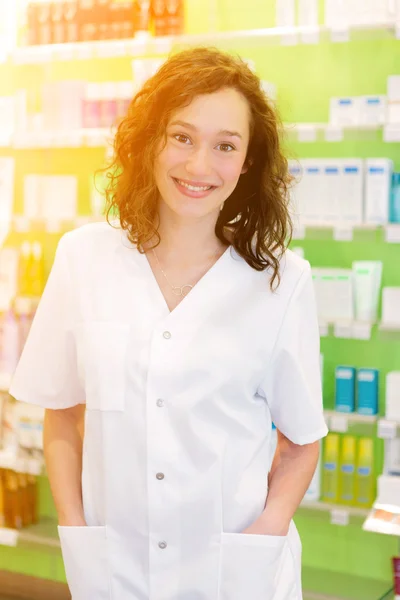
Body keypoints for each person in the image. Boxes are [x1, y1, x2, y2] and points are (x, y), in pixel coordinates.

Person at [10, 47, 328, 600]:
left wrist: (266, 535)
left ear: (246, 162)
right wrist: (76, 530)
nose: (199, 166)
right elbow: (61, 414)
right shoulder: (84, 259)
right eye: (182, 137)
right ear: (151, 139)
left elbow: (302, 443)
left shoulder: (281, 282)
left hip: (235, 575)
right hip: (116, 571)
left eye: (225, 146)